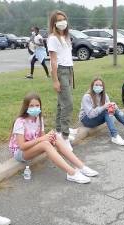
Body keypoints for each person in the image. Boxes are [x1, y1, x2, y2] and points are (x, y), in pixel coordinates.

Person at [9, 93, 99, 184]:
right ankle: (71, 173)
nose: (34, 108)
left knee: (55, 137)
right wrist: (43, 139)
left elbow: (42, 137)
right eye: (31, 106)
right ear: (26, 107)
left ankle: (81, 167)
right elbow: (22, 146)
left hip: (33, 146)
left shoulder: (39, 118)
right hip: (20, 153)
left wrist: (49, 137)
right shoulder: (20, 121)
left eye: (37, 105)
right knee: (45, 144)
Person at [80, 77, 124, 146]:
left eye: (100, 85)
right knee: (107, 110)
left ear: (103, 87)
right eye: (96, 85)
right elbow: (90, 114)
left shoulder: (104, 95)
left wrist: (115, 108)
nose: (98, 87)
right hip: (86, 119)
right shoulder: (87, 96)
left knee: (111, 108)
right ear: (92, 86)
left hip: (97, 117)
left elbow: (109, 107)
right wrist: (104, 107)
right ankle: (115, 136)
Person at [47, 10, 74, 150]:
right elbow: (53, 61)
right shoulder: (53, 38)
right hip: (61, 71)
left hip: (69, 70)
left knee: (61, 103)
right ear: (54, 23)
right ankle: (64, 135)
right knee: (68, 104)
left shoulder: (66, 36)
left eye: (64, 19)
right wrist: (55, 80)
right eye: (59, 20)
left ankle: (58, 131)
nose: (62, 22)